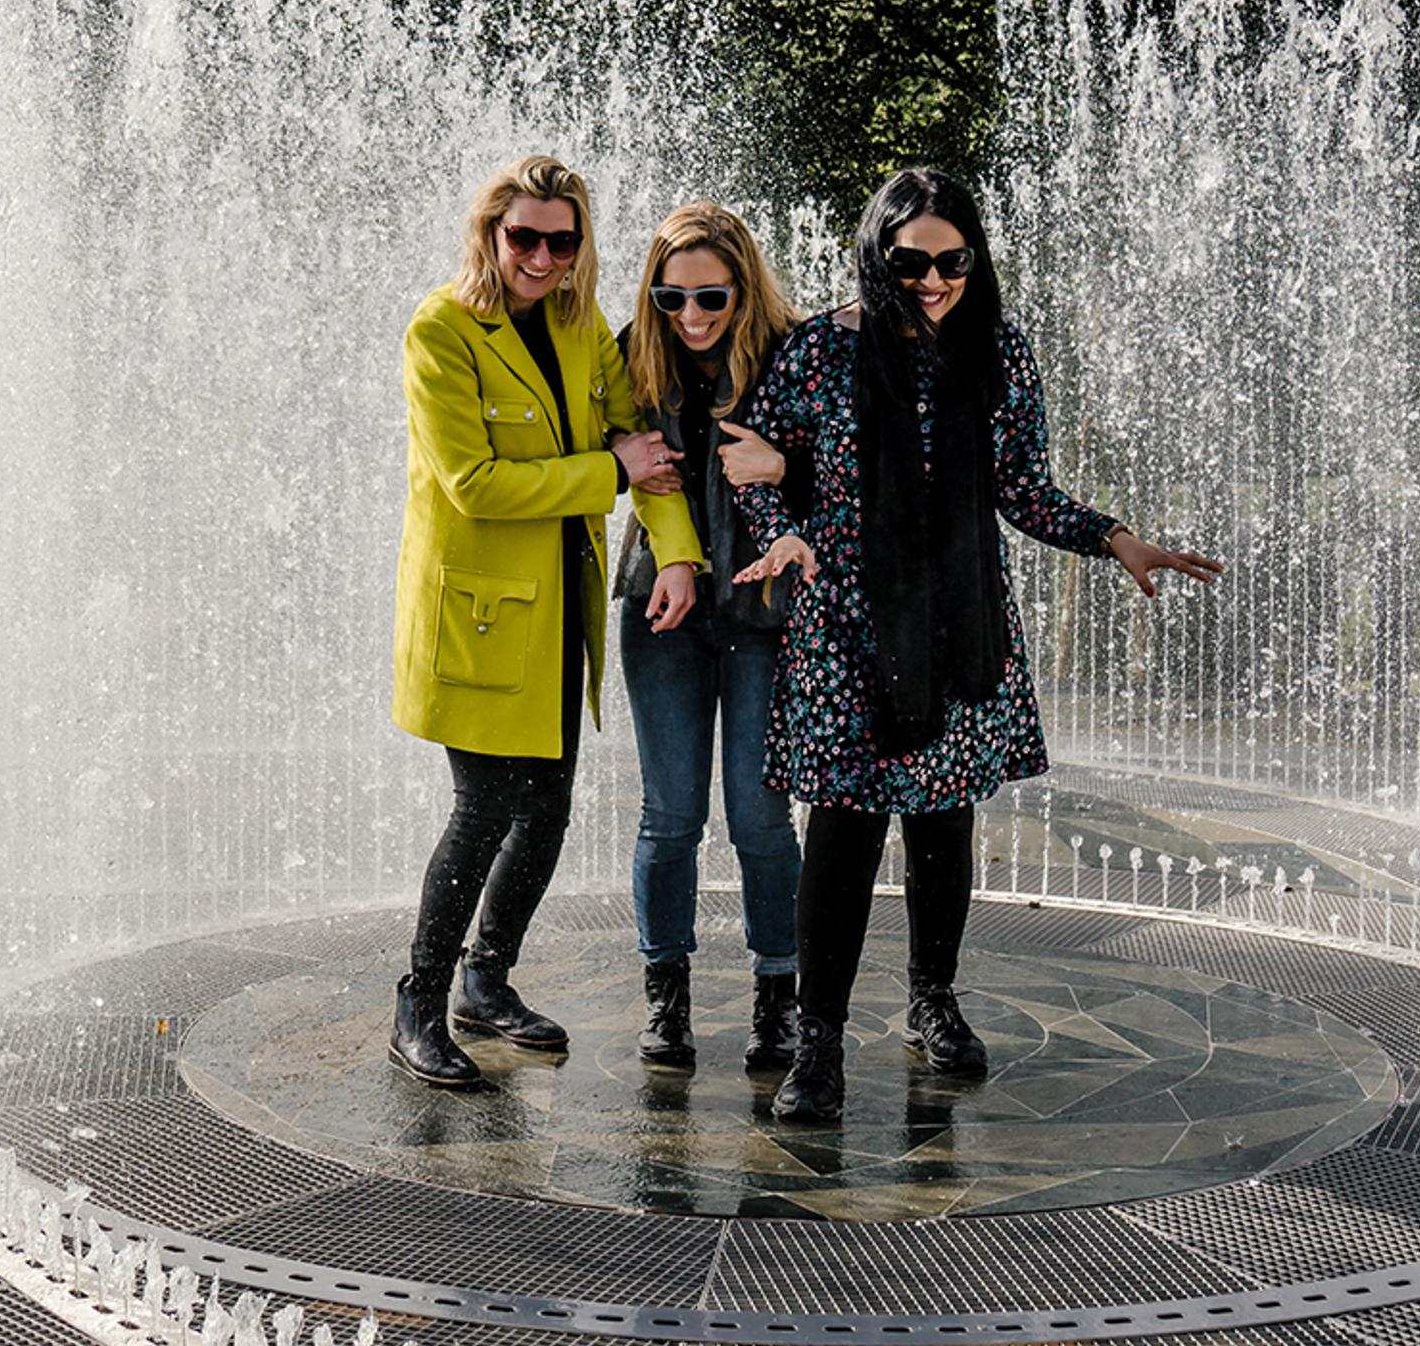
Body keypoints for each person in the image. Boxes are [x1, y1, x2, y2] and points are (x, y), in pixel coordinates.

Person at [732, 168, 1221, 1121]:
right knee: (842, 832)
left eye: (952, 261)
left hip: (960, 620)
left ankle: (932, 1001)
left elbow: (1024, 490)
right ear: (877, 253)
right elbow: (754, 458)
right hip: (844, 627)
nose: (931, 279)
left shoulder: (996, 351)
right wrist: (777, 527)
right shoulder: (820, 353)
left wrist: (1113, 535)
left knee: (943, 822)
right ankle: (819, 1045)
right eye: (910, 260)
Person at [387, 154, 701, 1090]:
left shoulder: (577, 324)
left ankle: (486, 981)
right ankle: (418, 1002)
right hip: (477, 619)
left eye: (562, 241)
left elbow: (641, 442)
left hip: (559, 605)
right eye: (524, 236)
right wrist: (609, 473)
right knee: (484, 809)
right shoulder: (441, 330)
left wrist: (677, 552)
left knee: (550, 807)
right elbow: (474, 485)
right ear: (491, 232)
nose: (542, 257)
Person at [612, 203, 808, 1072]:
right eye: (670, 297)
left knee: (761, 816)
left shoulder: (794, 354)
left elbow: (850, 460)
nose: (689, 317)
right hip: (665, 605)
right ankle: (667, 993)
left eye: (710, 298)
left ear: (744, 286)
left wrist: (789, 469)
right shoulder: (628, 353)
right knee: (672, 813)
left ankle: (778, 995)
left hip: (767, 611)